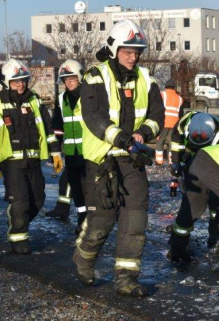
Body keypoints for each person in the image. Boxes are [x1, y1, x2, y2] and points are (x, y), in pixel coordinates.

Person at [72, 19, 165, 297]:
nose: (133, 56)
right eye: (128, 50)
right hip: (102, 161)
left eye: (137, 51)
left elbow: (158, 116)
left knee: (135, 220)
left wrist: (143, 135)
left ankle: (126, 279)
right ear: (114, 49)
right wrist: (124, 139)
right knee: (102, 220)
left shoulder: (147, 78)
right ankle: (84, 259)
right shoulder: (94, 77)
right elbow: (94, 118)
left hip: (132, 161)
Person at [0, 59, 62, 254]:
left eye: (23, 80)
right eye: (16, 81)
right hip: (11, 163)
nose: (21, 85)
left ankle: (18, 219)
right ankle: (19, 238)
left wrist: (56, 152)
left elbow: (48, 129)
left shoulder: (34, 100)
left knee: (38, 200)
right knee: (21, 201)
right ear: (7, 82)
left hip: (34, 160)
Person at [166, 111, 219, 261]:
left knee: (216, 201)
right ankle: (178, 244)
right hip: (193, 155)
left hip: (217, 161)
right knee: (191, 202)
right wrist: (177, 161)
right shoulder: (184, 123)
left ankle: (214, 238)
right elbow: (177, 140)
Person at [44, 59, 88, 234]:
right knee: (75, 187)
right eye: (65, 79)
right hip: (71, 152)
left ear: (79, 77)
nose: (68, 82)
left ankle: (91, 219)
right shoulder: (62, 99)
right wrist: (55, 151)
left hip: (89, 151)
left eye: (72, 78)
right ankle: (82, 218)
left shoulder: (89, 96)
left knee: (89, 187)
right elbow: (57, 126)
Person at [154, 79, 184, 165]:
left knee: (160, 142)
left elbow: (157, 109)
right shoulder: (180, 99)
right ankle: (172, 161)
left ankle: (159, 161)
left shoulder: (162, 95)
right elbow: (180, 114)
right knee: (172, 144)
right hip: (174, 125)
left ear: (166, 86)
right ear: (174, 88)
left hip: (164, 123)